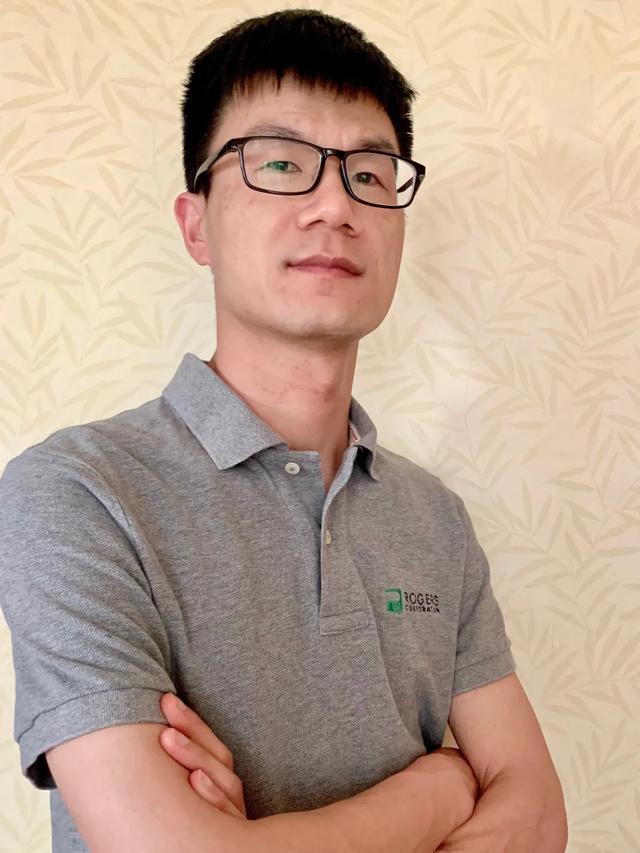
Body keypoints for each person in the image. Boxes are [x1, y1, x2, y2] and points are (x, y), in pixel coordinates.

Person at [0, 9, 567, 852]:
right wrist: (439, 789)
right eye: (279, 163)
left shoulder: (435, 517)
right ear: (196, 224)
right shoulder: (77, 490)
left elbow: (539, 817)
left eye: (370, 174)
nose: (335, 205)